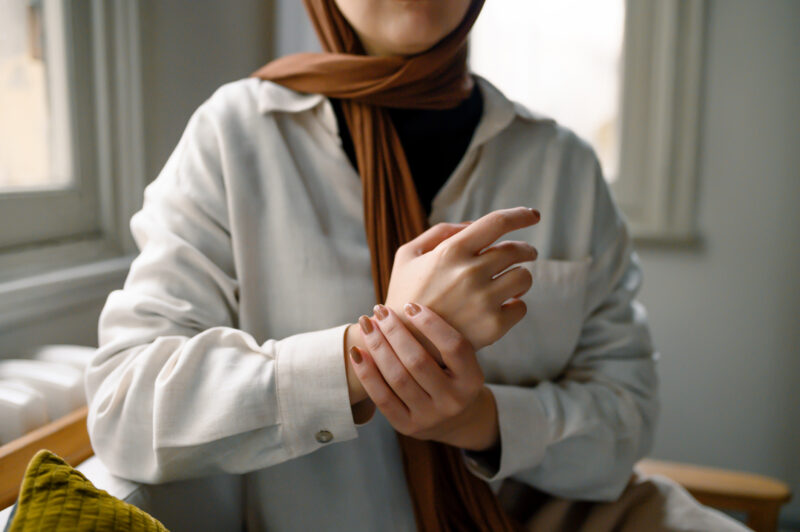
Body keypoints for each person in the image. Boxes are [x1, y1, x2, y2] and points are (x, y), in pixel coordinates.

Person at [85, 0, 748, 530]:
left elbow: (625, 419)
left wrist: (479, 421)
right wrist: (368, 356)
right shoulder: (233, 138)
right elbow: (125, 409)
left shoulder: (564, 166)